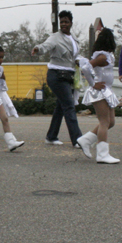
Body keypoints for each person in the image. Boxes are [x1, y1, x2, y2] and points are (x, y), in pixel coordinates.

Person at [31, 10, 84, 147]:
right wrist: (37, 49)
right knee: (69, 106)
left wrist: (81, 61)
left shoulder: (74, 39)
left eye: (66, 22)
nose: (64, 24)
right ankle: (78, 140)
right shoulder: (55, 37)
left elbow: (74, 56)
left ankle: (51, 136)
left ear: (71, 23)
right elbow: (46, 45)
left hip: (68, 76)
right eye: (62, 22)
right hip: (56, 75)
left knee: (61, 107)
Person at [76, 28, 120, 163]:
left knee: (111, 122)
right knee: (104, 122)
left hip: (106, 90)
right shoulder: (102, 57)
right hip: (99, 91)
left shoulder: (106, 56)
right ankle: (102, 154)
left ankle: (86, 140)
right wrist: (93, 83)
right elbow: (85, 68)